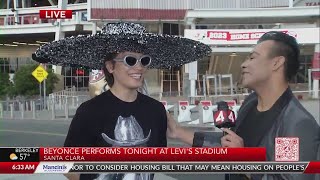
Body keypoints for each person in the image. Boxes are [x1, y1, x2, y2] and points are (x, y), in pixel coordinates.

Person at [32, 22, 211, 180]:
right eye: (130, 60)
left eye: (144, 60)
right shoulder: (89, 111)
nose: (139, 67)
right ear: (110, 66)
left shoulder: (156, 111)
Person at [167, 31, 320, 180]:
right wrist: (178, 132)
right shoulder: (250, 103)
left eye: (252, 57)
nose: (243, 65)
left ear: (276, 63)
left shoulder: (294, 123)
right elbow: (229, 145)